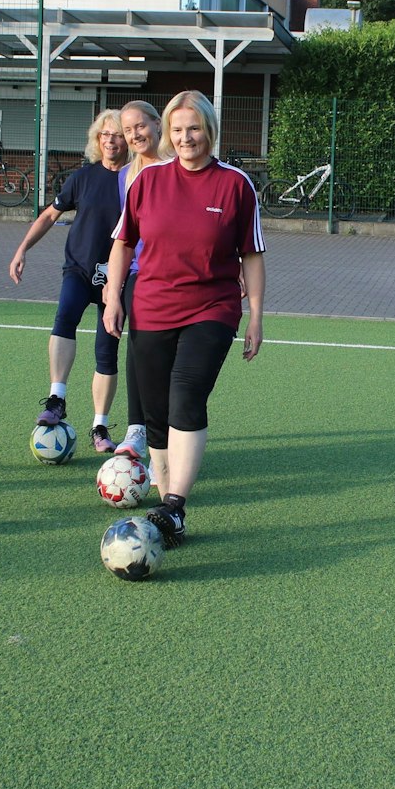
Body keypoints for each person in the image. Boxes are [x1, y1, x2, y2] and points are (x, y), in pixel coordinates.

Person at [100, 90, 263, 546]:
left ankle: (175, 505)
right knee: (155, 412)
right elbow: (123, 244)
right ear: (167, 134)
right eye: (177, 129)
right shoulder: (147, 181)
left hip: (213, 308)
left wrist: (256, 317)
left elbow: (252, 255)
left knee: (186, 395)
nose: (186, 137)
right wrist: (114, 297)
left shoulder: (235, 185)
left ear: (209, 129)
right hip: (150, 307)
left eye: (193, 128)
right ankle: (164, 493)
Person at [10, 110, 129, 451]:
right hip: (78, 267)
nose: (110, 140)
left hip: (117, 276)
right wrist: (22, 249)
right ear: (97, 139)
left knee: (106, 349)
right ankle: (56, 399)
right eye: (105, 134)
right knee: (64, 319)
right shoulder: (82, 177)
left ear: (128, 140)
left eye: (118, 134)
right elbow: (50, 214)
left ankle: (100, 427)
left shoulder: (137, 179)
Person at [107, 99, 165, 461]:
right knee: (138, 346)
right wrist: (111, 285)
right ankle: (136, 430)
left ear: (158, 124)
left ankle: (170, 430)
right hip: (137, 272)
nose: (134, 135)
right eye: (128, 130)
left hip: (173, 272)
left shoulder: (178, 167)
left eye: (140, 126)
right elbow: (123, 235)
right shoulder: (124, 175)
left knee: (170, 358)